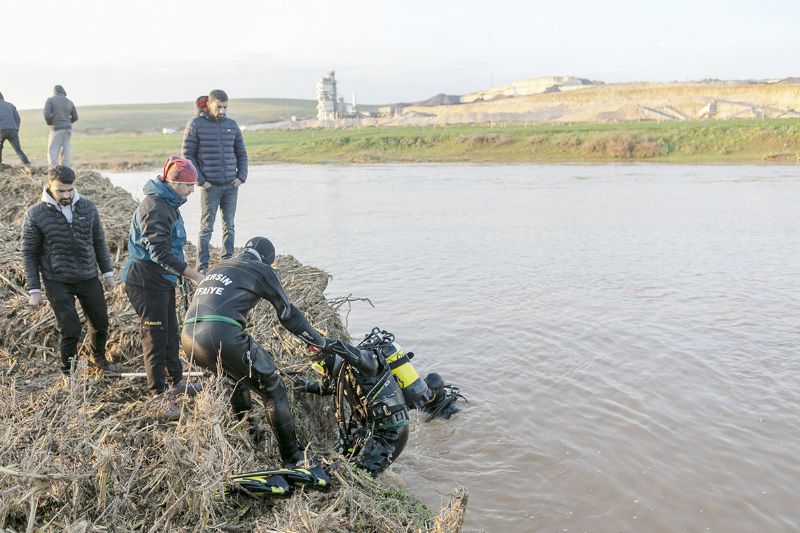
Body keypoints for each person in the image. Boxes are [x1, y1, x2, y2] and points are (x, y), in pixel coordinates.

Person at [181, 236, 341, 467]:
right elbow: (288, 314)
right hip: (220, 334)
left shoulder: (221, 266)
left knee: (237, 378)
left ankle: (250, 432)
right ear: (269, 260)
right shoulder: (261, 270)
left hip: (188, 337)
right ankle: (293, 457)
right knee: (273, 388)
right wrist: (317, 341)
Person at [121, 156, 205, 418]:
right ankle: (158, 396)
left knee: (170, 333)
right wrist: (193, 275)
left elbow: (172, 245)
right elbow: (158, 252)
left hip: (163, 280)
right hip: (145, 282)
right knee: (155, 339)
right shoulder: (154, 207)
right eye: (189, 185)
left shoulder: (169, 201)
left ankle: (177, 382)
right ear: (174, 182)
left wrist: (183, 264)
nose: (192, 191)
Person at [20, 166, 123, 376]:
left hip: (88, 276)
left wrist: (108, 273)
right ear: (49, 186)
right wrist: (34, 289)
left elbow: (99, 242)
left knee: (101, 323)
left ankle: (99, 360)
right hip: (57, 280)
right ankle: (69, 371)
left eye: (70, 190)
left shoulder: (88, 207)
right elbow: (29, 253)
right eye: (60, 191)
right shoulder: (35, 214)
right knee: (71, 329)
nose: (66, 195)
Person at [181, 89, 248, 273]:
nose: (222, 111)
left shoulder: (232, 125)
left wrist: (241, 177)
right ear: (209, 104)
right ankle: (202, 265)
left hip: (231, 185)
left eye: (225, 107)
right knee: (206, 226)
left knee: (229, 224)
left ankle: (227, 260)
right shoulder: (195, 124)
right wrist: (202, 181)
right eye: (219, 106)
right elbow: (187, 156)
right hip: (209, 187)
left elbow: (241, 153)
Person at [43, 85, 78, 168]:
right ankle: (65, 169)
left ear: (55, 92)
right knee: (66, 150)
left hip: (56, 128)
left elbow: (46, 114)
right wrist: (68, 122)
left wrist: (50, 123)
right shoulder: (69, 102)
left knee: (53, 150)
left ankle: (52, 170)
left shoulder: (50, 100)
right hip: (67, 129)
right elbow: (75, 117)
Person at [0, 92, 33, 173]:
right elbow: (17, 119)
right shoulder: (11, 105)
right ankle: (27, 165)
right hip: (13, 129)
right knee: (18, 149)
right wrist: (16, 129)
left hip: (1, 130)